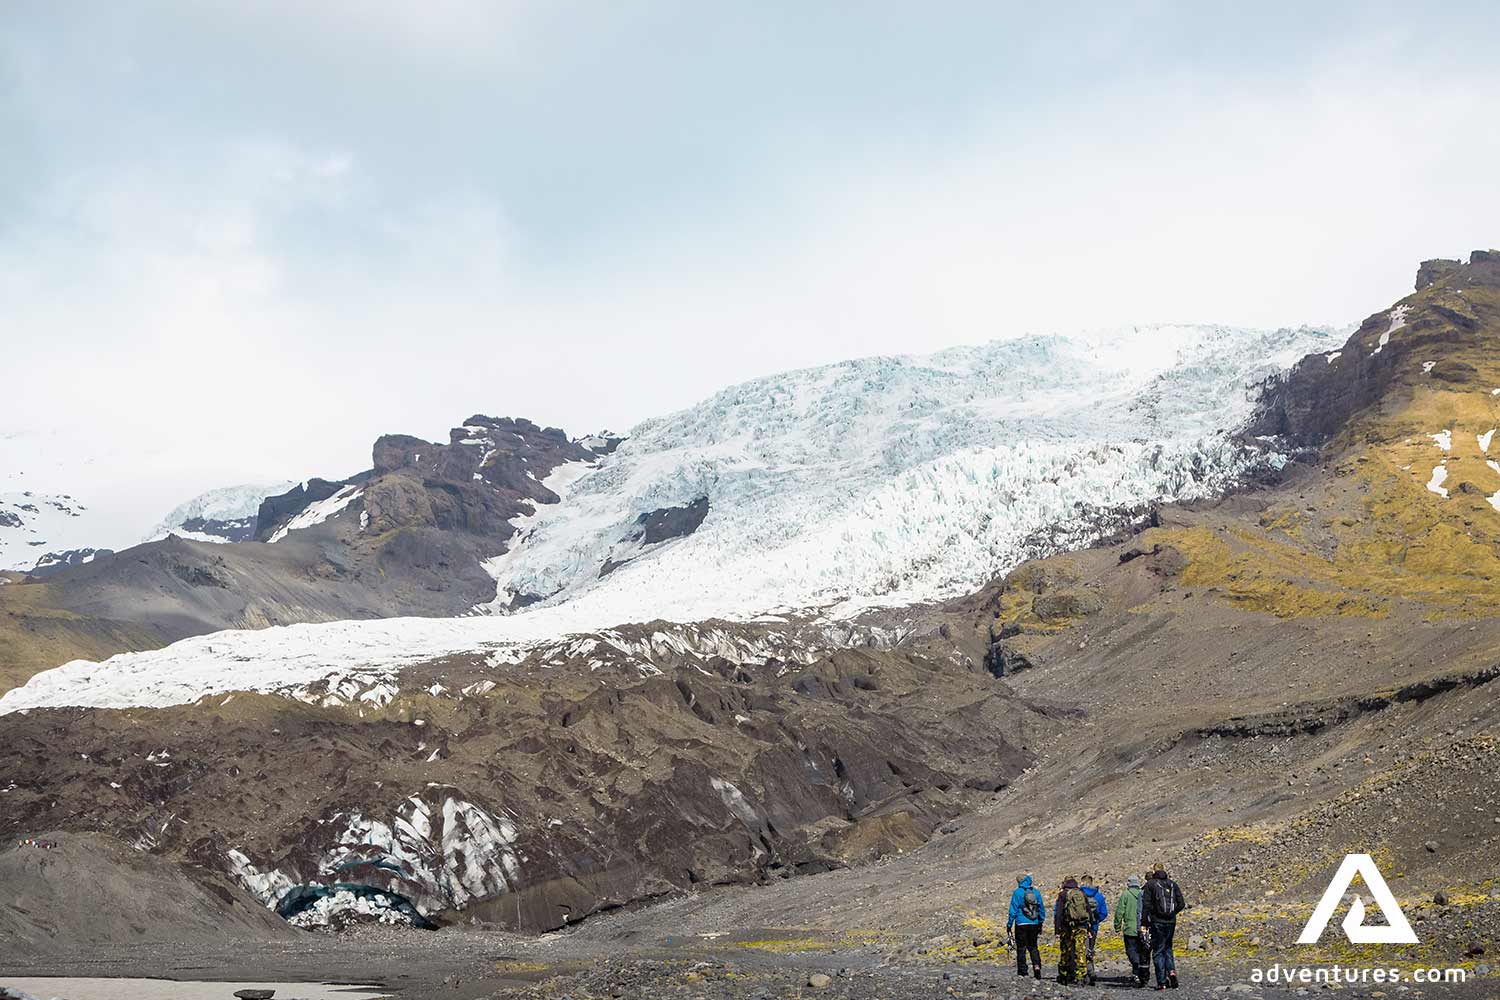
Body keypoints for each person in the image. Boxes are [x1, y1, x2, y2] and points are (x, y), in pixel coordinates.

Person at [1141, 867, 1187, 990]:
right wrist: (1172, 913)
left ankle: (1162, 981)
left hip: (1157, 921)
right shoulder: (1172, 884)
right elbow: (1181, 903)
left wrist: (1144, 921)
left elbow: (1146, 905)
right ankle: (1171, 971)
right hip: (1171, 922)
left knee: (1158, 951)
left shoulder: (1151, 885)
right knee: (1168, 948)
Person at [1054, 876, 1095, 985]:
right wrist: (1090, 928)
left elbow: (1058, 913)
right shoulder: (1081, 893)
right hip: (1081, 927)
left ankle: (1064, 975)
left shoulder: (1063, 894)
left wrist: (1057, 930)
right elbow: (1088, 910)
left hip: (1067, 928)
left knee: (1066, 952)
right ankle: (1081, 976)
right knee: (1080, 951)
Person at [1005, 873, 1045, 979]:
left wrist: (1009, 924)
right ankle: (1037, 966)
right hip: (1034, 923)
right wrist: (1040, 922)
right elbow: (1041, 908)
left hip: (1021, 924)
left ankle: (1023, 971)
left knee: (1021, 948)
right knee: (1033, 947)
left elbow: (1013, 910)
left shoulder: (1017, 892)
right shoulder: (1036, 892)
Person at [1115, 874, 1150, 987]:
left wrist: (1117, 926)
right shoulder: (1143, 893)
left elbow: (1120, 911)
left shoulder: (1126, 894)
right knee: (1141, 951)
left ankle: (1137, 969)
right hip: (1143, 927)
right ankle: (1138, 973)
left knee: (1131, 951)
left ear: (1129, 883)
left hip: (1130, 928)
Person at [1078, 875, 1108, 986]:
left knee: (1081, 950)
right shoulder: (1098, 896)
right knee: (1090, 949)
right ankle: (1091, 971)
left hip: (1081, 927)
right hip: (1093, 927)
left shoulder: (1079, 895)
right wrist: (1096, 921)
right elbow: (1104, 913)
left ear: (1082, 882)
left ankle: (1085, 973)